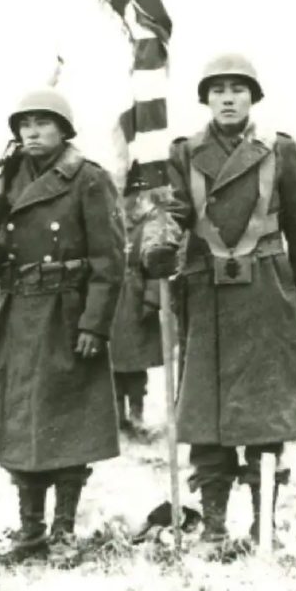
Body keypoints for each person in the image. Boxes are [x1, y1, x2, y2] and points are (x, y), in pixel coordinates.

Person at [141, 53, 296, 551]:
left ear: (253, 98)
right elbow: (168, 210)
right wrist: (158, 240)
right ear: (205, 99)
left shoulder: (280, 149)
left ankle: (265, 527)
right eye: (218, 90)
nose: (227, 98)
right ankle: (215, 527)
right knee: (207, 417)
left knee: (265, 418)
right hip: (206, 294)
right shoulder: (183, 152)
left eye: (237, 89)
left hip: (267, 290)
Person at [0, 88, 124, 563]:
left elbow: (109, 260)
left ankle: (63, 532)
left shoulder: (88, 178)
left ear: (64, 130)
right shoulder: (7, 178)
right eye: (25, 125)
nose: (32, 133)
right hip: (17, 311)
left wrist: (95, 325)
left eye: (43, 123)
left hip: (66, 314)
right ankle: (30, 531)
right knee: (21, 423)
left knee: (68, 423)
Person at [109, 171, 163, 434]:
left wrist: (152, 298)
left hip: (135, 297)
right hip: (109, 297)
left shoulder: (148, 221)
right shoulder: (104, 221)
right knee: (111, 362)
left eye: (128, 194)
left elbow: (156, 265)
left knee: (134, 362)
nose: (124, 200)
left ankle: (137, 412)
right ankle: (117, 415)